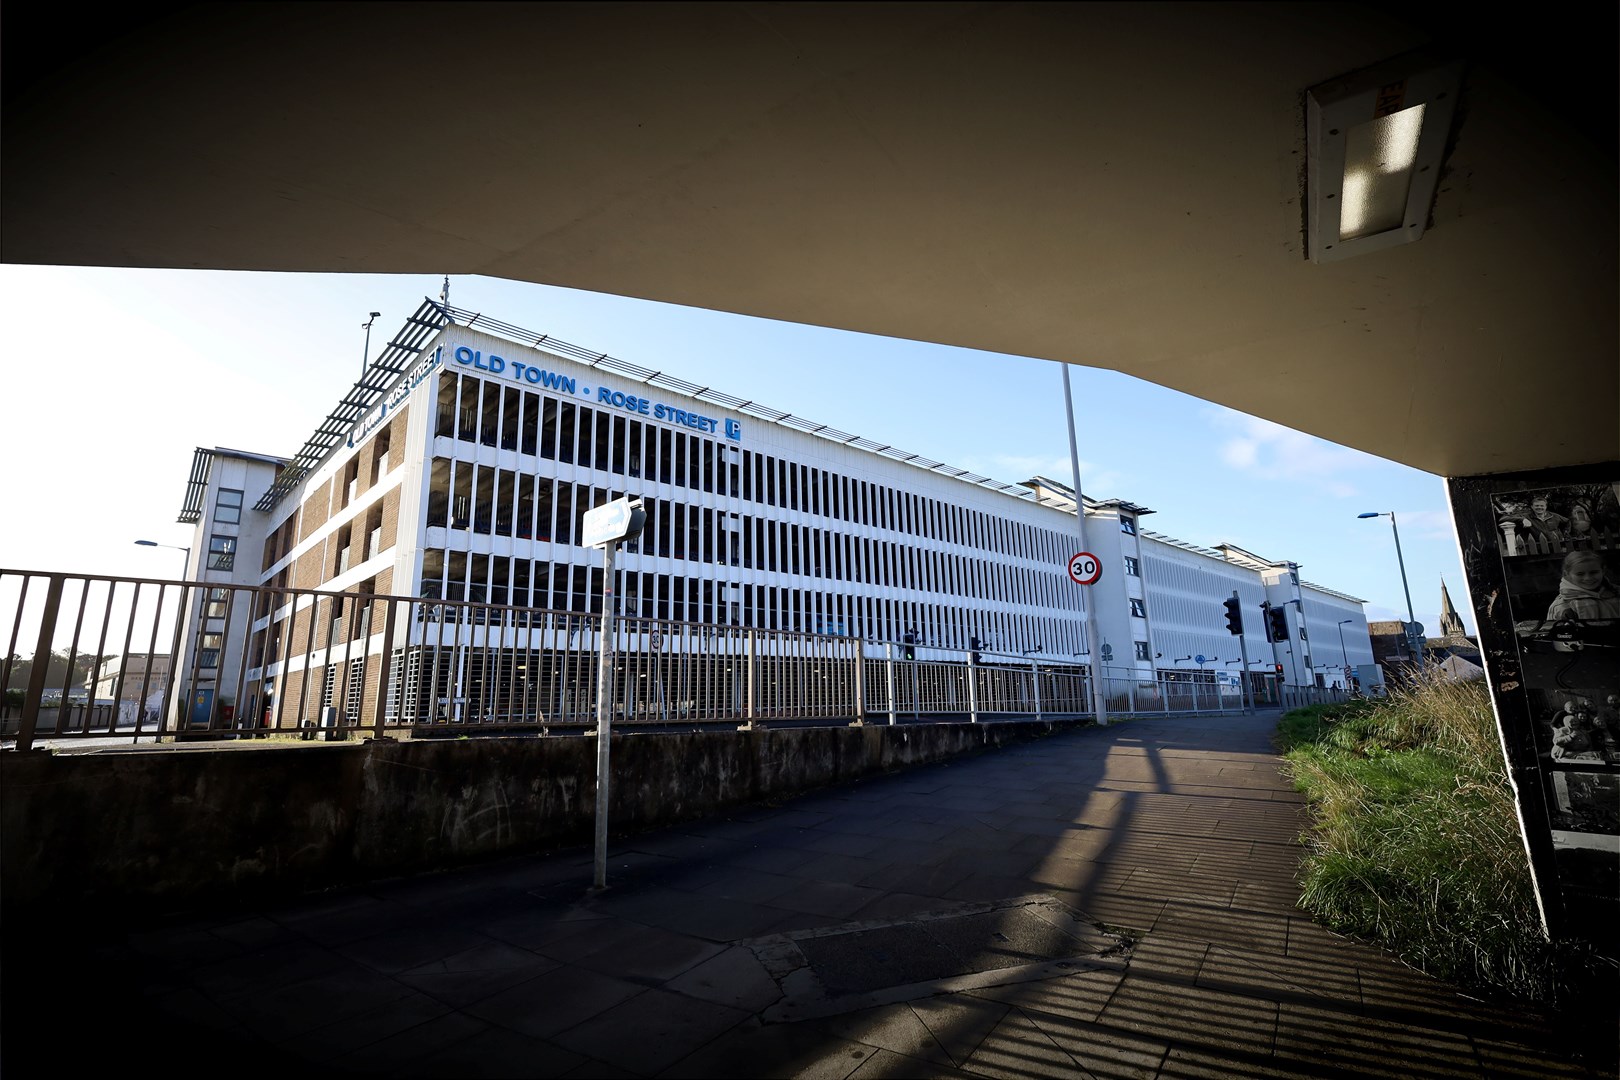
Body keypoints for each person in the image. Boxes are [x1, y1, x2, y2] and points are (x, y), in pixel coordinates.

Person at [1544, 550, 1620, 623]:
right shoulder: (1562, 606)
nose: (1588, 578)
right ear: (1567, 574)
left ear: (1603, 571)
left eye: (1594, 572)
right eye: (1580, 574)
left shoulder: (1616, 594)